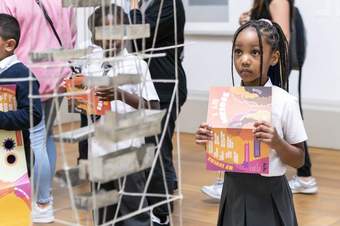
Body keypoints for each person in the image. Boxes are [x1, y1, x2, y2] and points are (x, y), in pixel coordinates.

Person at [196, 19, 307, 226]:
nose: (244, 60)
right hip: (234, 192)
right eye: (238, 52)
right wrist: (208, 142)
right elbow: (227, 153)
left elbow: (299, 160)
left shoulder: (285, 102)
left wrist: (277, 143)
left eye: (255, 52)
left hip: (269, 195)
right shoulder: (226, 101)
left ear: (274, 58)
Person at [0, 0, 77, 223]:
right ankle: (44, 202)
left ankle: (15, 195)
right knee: (43, 138)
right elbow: (71, 36)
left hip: (18, 79)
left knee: (15, 138)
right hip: (58, 77)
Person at [83, 5, 160, 225]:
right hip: (98, 150)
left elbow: (153, 107)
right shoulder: (92, 67)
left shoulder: (137, 65)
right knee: (103, 213)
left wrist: (121, 94)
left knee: (133, 212)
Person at [129, 1, 187, 224]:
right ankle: (164, 194)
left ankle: (160, 212)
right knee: (157, 146)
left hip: (164, 87)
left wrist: (133, 9)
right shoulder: (152, 4)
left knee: (157, 148)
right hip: (154, 86)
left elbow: (138, 35)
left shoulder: (168, 4)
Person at [0, 13, 42, 177]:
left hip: (13, 158)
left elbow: (33, 114)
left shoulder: (22, 75)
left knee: (10, 201)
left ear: (9, 45)